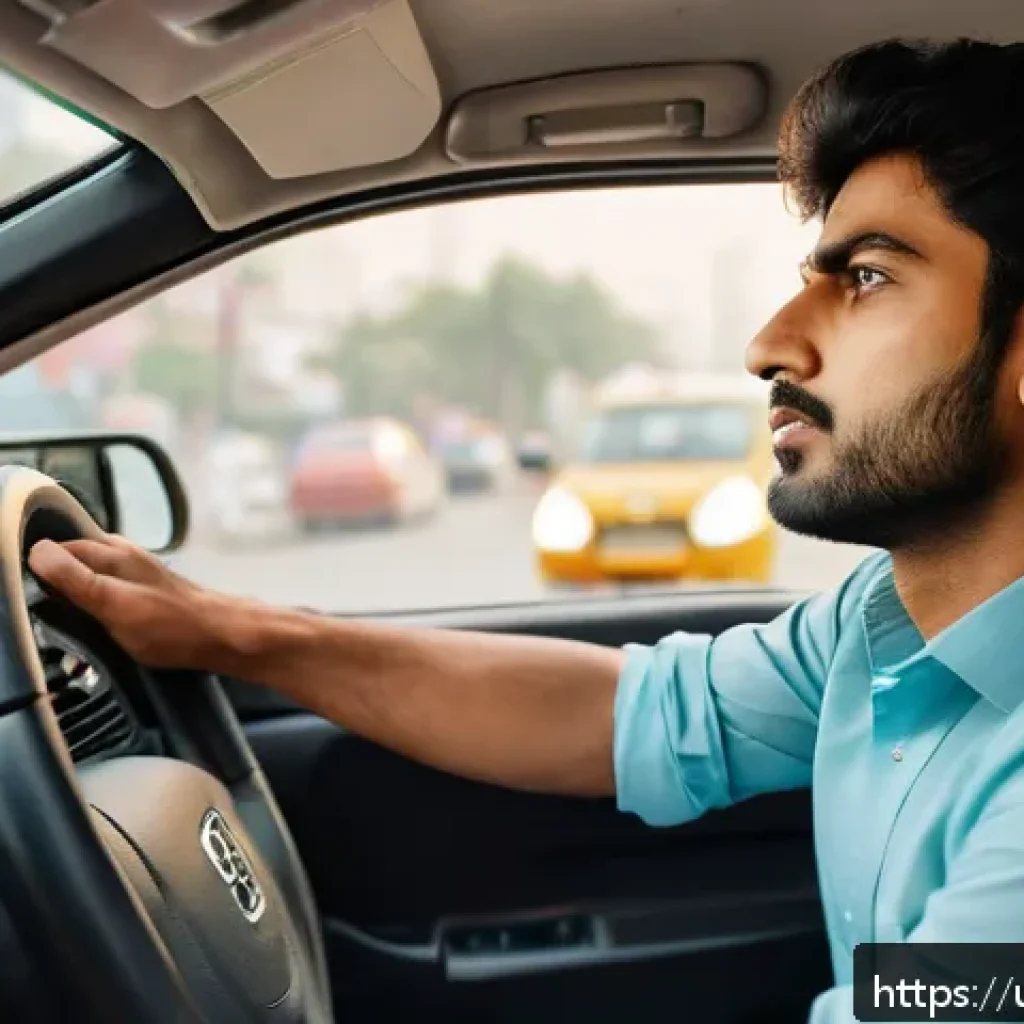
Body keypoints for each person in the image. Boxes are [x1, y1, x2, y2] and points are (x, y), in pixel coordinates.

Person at [26, 38, 1024, 1022]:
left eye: (868, 278)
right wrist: (233, 633)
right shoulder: (880, 624)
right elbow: (623, 715)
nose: (769, 344)